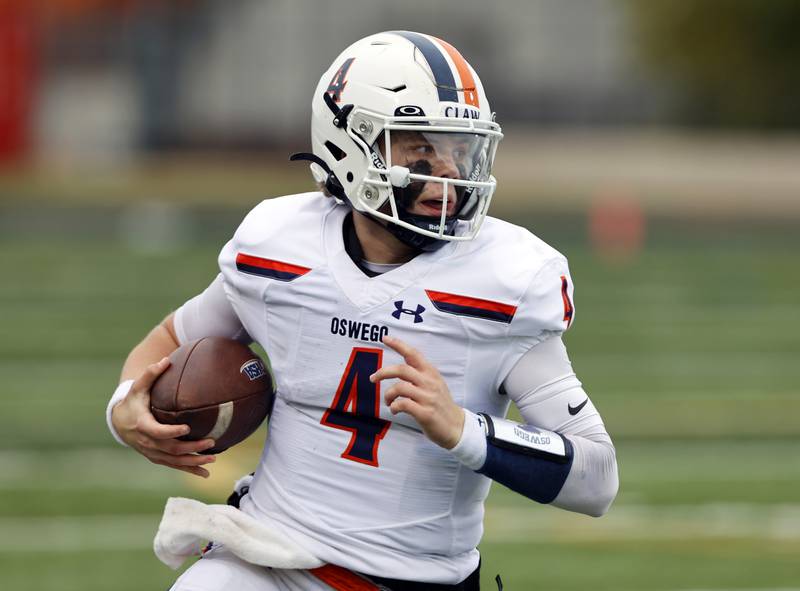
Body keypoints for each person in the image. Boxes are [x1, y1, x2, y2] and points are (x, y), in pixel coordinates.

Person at [106, 31, 618, 591]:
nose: (447, 170)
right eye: (420, 147)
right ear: (350, 145)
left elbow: (596, 477)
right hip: (266, 555)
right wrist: (124, 409)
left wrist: (464, 430)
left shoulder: (504, 279)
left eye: (458, 148)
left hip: (411, 580)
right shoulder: (281, 245)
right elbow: (166, 341)